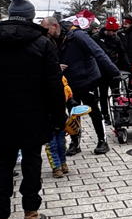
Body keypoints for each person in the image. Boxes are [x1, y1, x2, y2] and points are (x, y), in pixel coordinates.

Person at [0, 0, 67, 219]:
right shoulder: (43, 43)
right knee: (31, 162)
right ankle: (30, 212)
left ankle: (0, 215)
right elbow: (54, 84)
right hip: (35, 112)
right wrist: (59, 116)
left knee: (3, 162)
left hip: (3, 111)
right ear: (31, 17)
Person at [45, 14, 116, 155]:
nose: (45, 33)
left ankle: (102, 141)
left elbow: (98, 52)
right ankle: (75, 142)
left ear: (55, 26)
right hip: (69, 82)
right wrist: (56, 67)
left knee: (93, 110)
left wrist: (114, 71)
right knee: (73, 112)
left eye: (47, 30)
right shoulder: (51, 39)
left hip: (87, 78)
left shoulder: (77, 35)